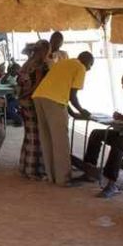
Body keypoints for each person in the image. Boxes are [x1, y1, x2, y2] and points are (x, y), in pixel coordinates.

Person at [32, 52, 94, 186]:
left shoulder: (64, 63)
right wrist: (82, 111)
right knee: (61, 142)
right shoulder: (80, 67)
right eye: (90, 65)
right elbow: (72, 96)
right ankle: (63, 179)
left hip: (39, 97)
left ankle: (52, 176)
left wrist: (72, 113)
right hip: (53, 100)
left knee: (47, 139)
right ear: (86, 61)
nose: (89, 69)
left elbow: (62, 96)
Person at [17, 40, 50, 179]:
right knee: (36, 137)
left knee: (29, 135)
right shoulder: (38, 66)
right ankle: (32, 171)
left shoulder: (26, 64)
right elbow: (36, 85)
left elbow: (19, 82)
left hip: (24, 102)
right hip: (31, 101)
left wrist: (21, 96)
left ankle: (25, 167)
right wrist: (26, 94)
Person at [0, 63, 22, 127]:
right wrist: (8, 73)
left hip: (17, 97)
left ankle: (19, 120)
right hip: (9, 96)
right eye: (12, 70)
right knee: (6, 108)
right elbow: (2, 82)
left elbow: (19, 88)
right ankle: (14, 117)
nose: (13, 71)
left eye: (14, 70)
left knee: (9, 108)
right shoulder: (10, 76)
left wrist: (15, 86)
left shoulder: (19, 77)